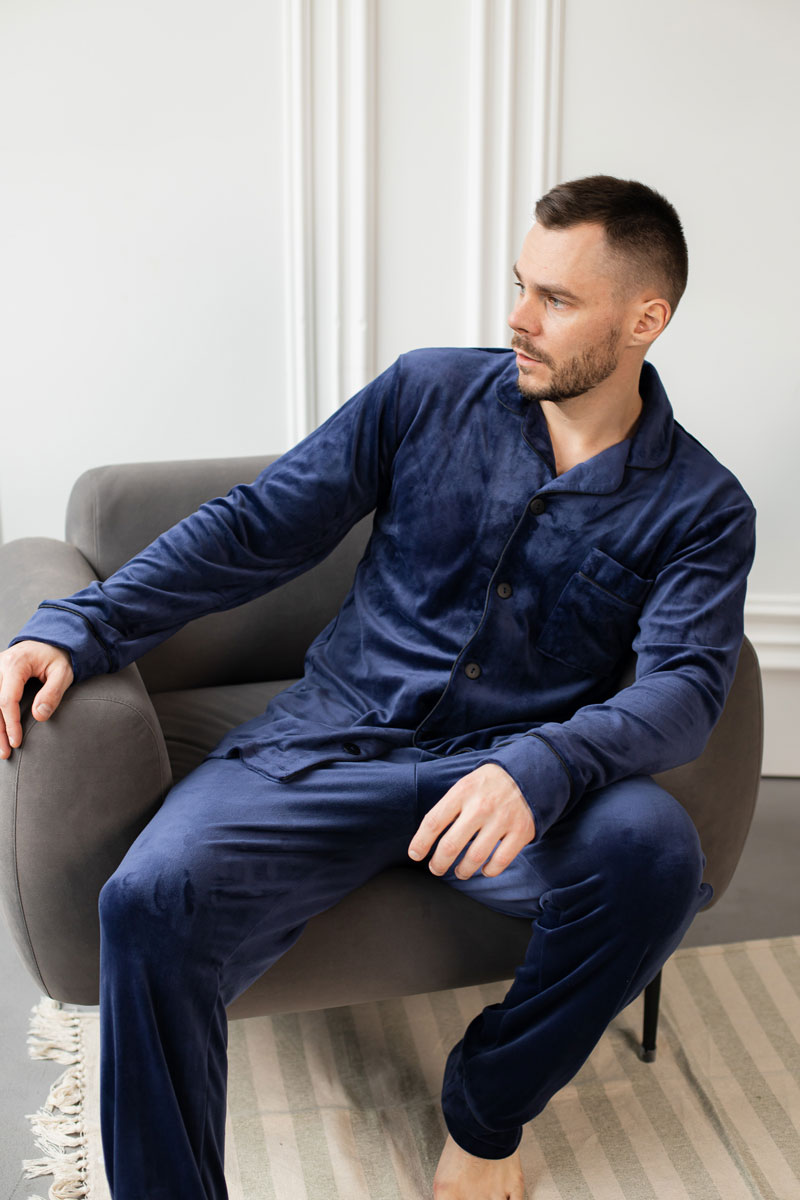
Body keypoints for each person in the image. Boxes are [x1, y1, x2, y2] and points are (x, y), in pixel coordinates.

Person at [0, 175, 755, 1200]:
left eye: (556, 300)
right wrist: (83, 624)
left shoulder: (702, 508)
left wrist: (541, 764)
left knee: (653, 853)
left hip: (506, 782)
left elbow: (685, 688)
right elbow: (256, 527)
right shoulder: (425, 393)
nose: (517, 318)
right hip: (328, 743)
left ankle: (486, 1112)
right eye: (519, 285)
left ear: (644, 320)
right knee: (147, 902)